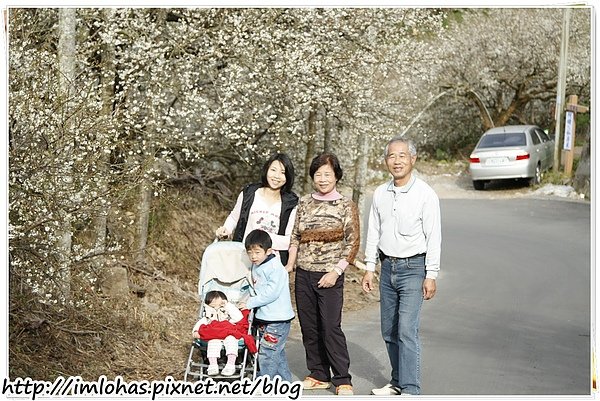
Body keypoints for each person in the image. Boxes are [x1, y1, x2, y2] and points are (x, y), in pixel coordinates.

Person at [361, 136, 441, 396]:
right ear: (386, 161)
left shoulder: (425, 194)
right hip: (387, 268)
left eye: (402, 155)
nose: (397, 161)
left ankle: (411, 388)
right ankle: (397, 382)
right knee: (389, 330)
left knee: (407, 329)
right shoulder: (380, 194)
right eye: (392, 156)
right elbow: (373, 231)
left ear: (413, 159)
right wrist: (369, 267)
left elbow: (434, 236)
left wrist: (431, 274)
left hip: (414, 268)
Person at [287, 152, 360, 396]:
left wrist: (336, 271)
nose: (322, 178)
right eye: (318, 174)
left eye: (327, 174)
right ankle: (318, 374)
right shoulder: (304, 203)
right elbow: (295, 236)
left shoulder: (346, 205)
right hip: (304, 274)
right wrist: (291, 265)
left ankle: (342, 379)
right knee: (309, 327)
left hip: (330, 275)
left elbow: (352, 242)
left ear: (337, 176)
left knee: (330, 327)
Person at [215, 153, 299, 268]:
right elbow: (234, 217)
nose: (276, 176)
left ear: (288, 177)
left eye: (283, 173)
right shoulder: (249, 193)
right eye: (273, 170)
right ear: (266, 170)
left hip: (272, 264)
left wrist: (262, 239)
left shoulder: (291, 203)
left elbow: (290, 239)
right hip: (245, 258)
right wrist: (226, 230)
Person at [240, 229, 295, 382]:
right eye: (250, 252)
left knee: (267, 353)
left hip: (277, 319)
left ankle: (264, 383)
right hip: (266, 318)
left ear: (269, 251)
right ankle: (285, 383)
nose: (253, 256)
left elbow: (271, 292)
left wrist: (249, 303)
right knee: (276, 353)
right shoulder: (258, 265)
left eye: (257, 252)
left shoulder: (275, 268)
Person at [192, 290, 244, 376]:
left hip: (228, 334)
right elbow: (201, 323)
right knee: (213, 342)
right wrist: (196, 331)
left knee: (232, 340)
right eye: (213, 306)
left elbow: (239, 317)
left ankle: (230, 364)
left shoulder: (229, 315)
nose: (216, 308)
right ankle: (213, 365)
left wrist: (227, 306)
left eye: (219, 305)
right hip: (214, 336)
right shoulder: (208, 317)